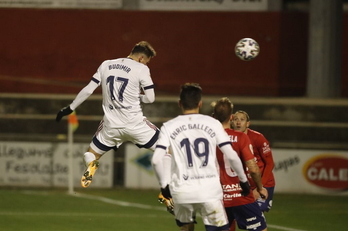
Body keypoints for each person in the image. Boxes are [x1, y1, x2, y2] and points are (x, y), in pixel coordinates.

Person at [56, 41, 161, 188]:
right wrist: (137, 97)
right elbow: (150, 98)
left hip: (111, 127)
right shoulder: (141, 69)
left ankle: (92, 164)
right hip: (136, 125)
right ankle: (168, 188)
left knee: (90, 153)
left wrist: (70, 108)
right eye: (147, 62)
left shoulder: (106, 64)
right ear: (142, 58)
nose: (146, 65)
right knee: (168, 148)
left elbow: (88, 90)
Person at [151, 83, 250, 231]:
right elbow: (231, 155)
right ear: (200, 104)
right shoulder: (212, 123)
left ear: (180, 103)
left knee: (186, 227)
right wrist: (243, 180)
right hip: (209, 190)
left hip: (182, 191)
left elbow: (156, 159)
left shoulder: (168, 126)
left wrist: (164, 185)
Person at [212, 97, 268, 231]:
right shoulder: (241, 137)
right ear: (231, 117)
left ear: (213, 117)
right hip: (241, 196)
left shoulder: (207, 139)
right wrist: (260, 187)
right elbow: (253, 168)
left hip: (217, 198)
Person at [232, 110, 275, 214]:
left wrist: (260, 187)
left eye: (242, 120)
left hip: (263, 183)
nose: (238, 122)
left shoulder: (258, 138)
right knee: (233, 212)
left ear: (248, 124)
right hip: (245, 185)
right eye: (236, 119)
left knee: (256, 214)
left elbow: (270, 163)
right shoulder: (230, 138)